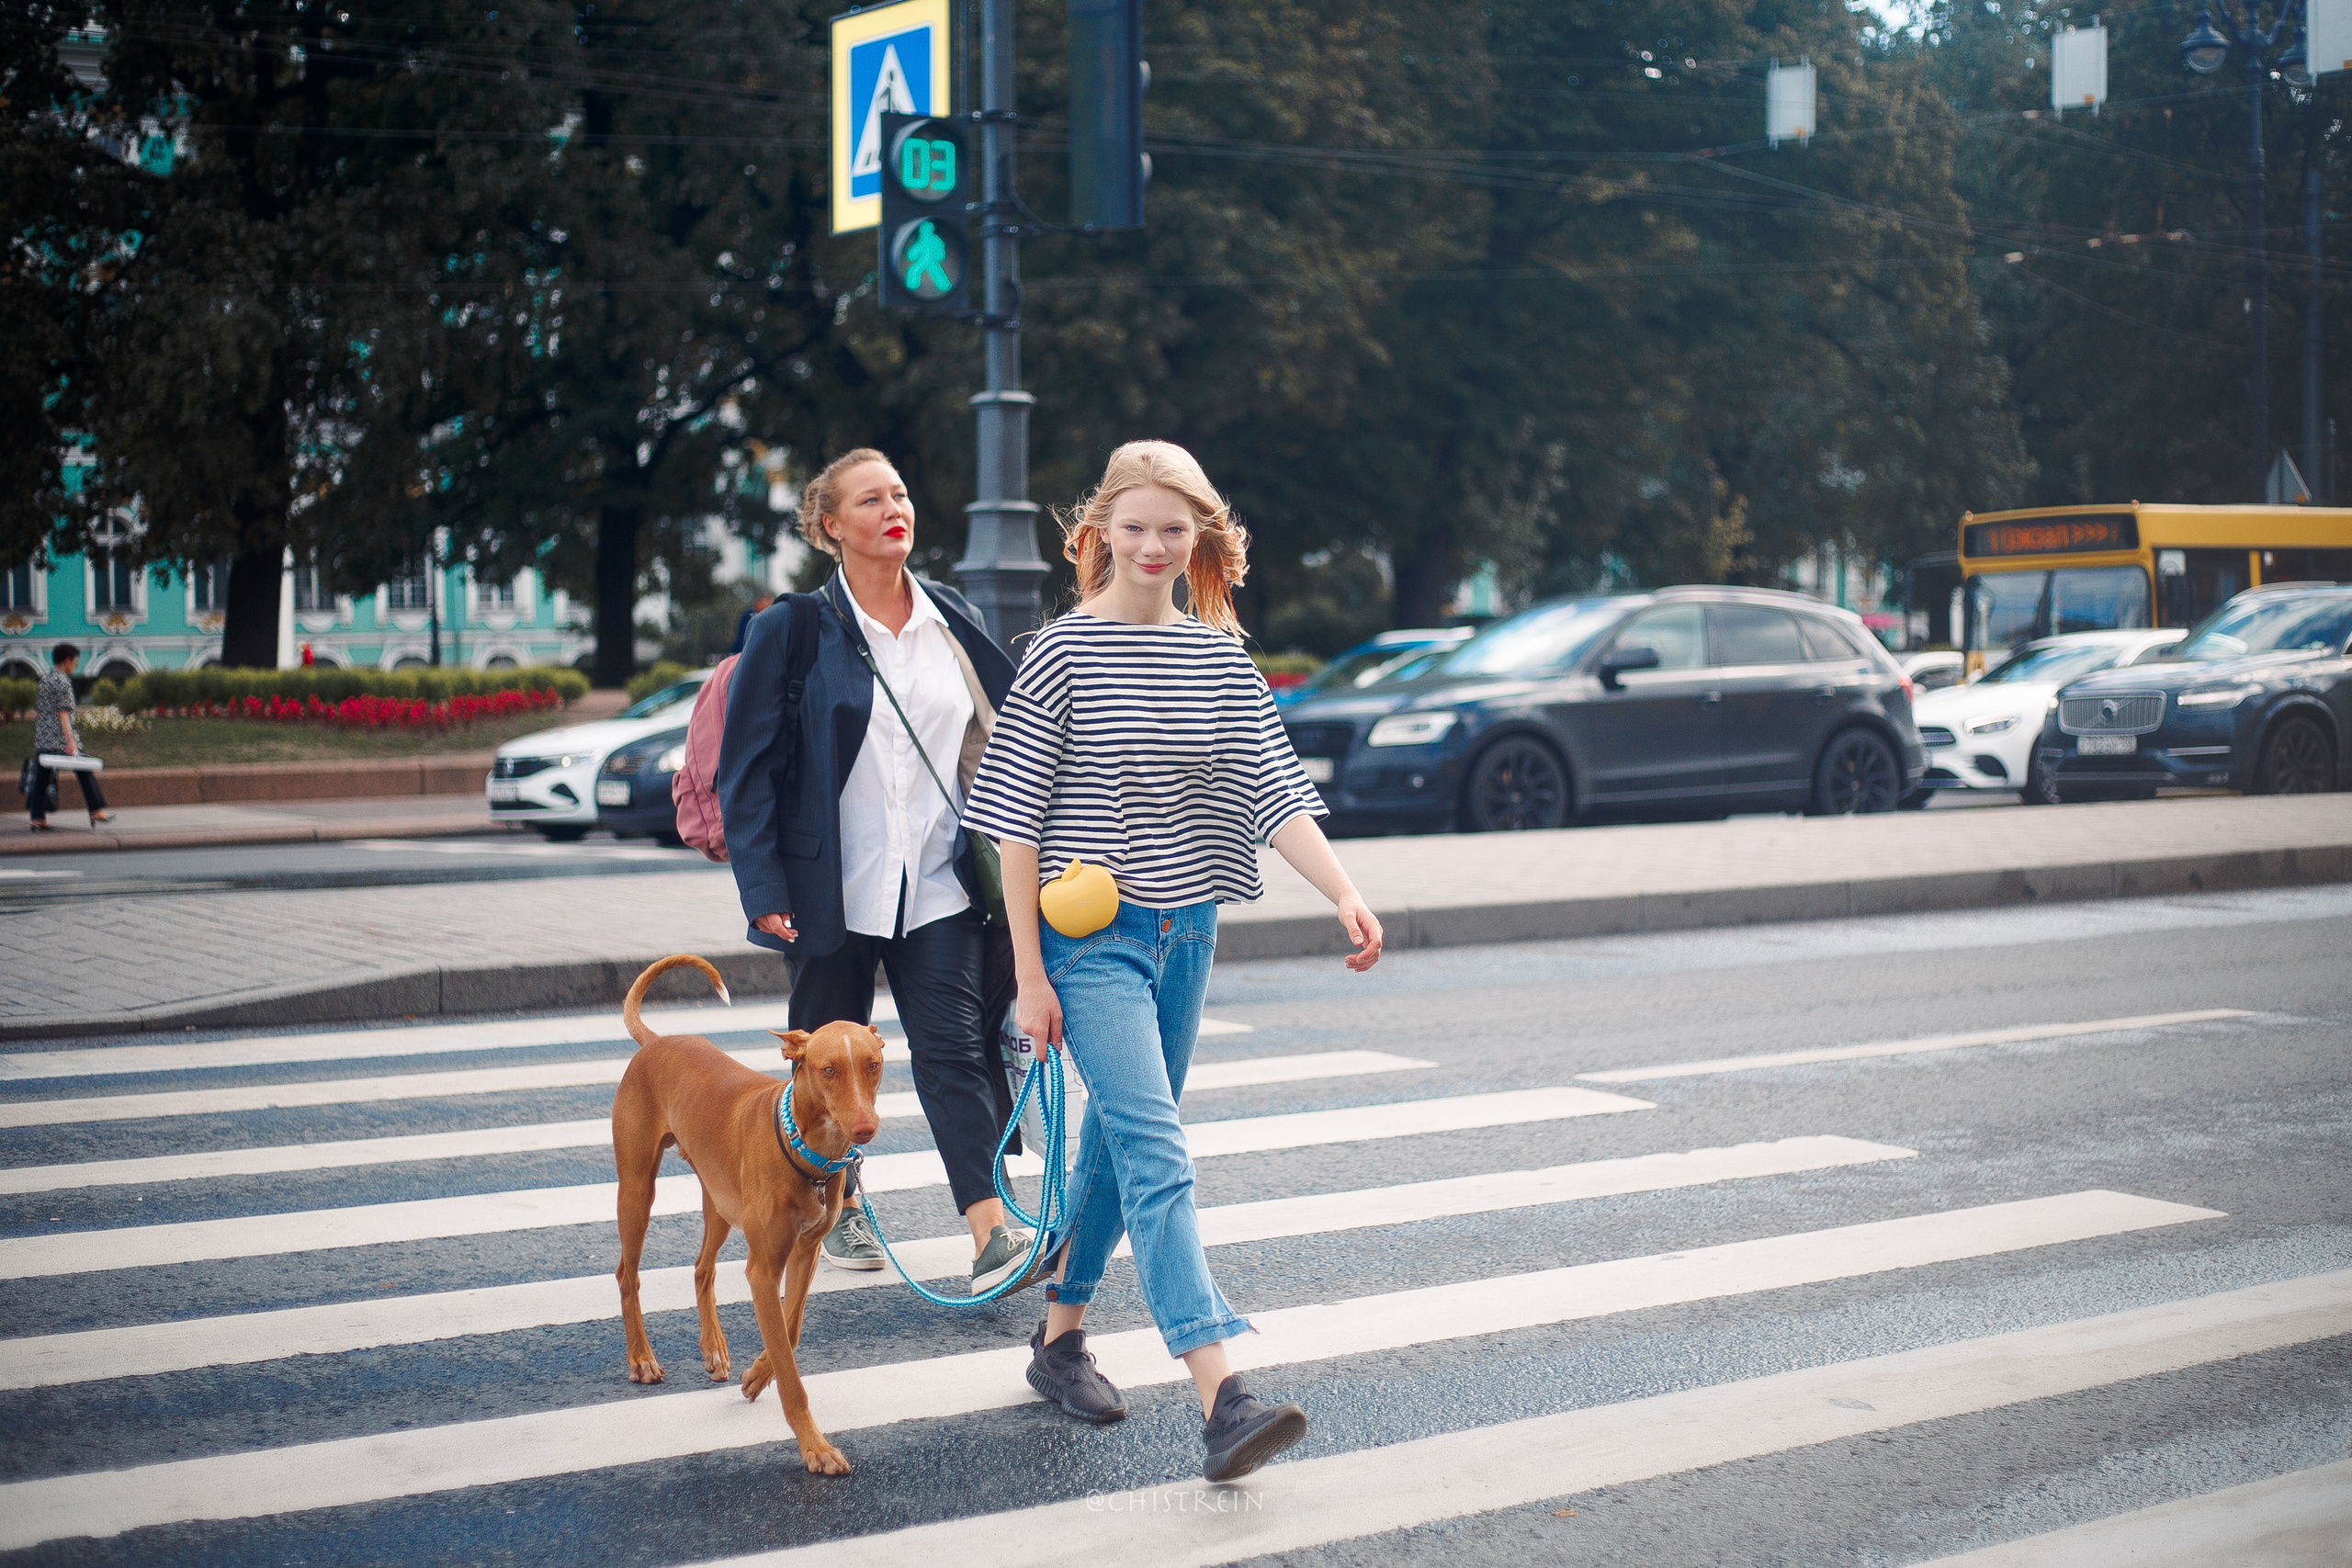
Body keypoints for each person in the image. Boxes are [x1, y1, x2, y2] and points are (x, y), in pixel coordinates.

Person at [961, 440, 1385, 1483]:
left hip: (1186, 930)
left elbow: (1276, 791)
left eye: (1173, 529)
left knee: (1119, 1140)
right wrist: (1029, 976)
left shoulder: (1217, 658)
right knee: (1159, 1153)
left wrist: (1343, 891)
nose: (1152, 546)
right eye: (1135, 527)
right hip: (1086, 943)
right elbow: (1012, 824)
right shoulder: (1061, 651)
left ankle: (1058, 1341)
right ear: (1099, 533)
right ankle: (1222, 1397)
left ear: (1203, 538)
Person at [717, 450, 1041, 1293]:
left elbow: (1010, 738)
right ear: (832, 526)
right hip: (830, 891)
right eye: (871, 499)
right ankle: (840, 1200)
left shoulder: (950, 617)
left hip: (936, 883)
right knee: (827, 1065)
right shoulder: (793, 628)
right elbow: (745, 768)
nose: (894, 508)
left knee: (953, 1052)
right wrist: (763, 887)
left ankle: (990, 1227)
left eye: (900, 492)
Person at [28, 644, 112, 833]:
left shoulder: (45, 680)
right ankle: (96, 810)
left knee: (42, 777)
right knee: (83, 769)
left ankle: (37, 817)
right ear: (67, 660)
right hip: (59, 738)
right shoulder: (62, 682)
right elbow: (63, 713)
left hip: (43, 737)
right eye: (75, 661)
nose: (75, 665)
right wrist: (70, 741)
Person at [728, 591, 775, 656]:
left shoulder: (769, 619)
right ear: (758, 603)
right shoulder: (750, 616)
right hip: (742, 653)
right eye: (764, 602)